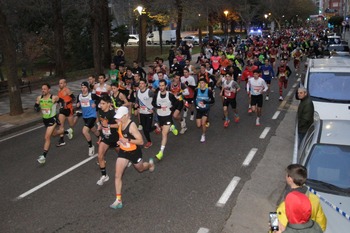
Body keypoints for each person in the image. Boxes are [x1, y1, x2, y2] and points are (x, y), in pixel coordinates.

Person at [109, 106, 155, 209]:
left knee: (141, 169)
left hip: (134, 152)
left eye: (120, 117)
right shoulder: (120, 123)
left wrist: (128, 140)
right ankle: (118, 200)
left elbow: (141, 141)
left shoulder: (132, 126)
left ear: (126, 116)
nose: (118, 119)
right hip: (123, 151)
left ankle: (150, 164)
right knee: (117, 175)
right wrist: (120, 140)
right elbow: (121, 134)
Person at [276, 164, 327, 232]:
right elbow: (322, 224)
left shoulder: (285, 206)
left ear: (290, 179)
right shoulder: (314, 199)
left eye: (286, 175)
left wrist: (274, 228)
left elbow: (277, 229)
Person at [34, 83, 72, 164]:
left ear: (48, 90)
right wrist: (36, 107)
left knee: (47, 137)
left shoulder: (53, 98)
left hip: (52, 119)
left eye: (44, 89)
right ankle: (67, 132)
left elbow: (62, 101)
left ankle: (43, 156)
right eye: (42, 89)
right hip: (45, 120)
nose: (43, 90)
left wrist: (62, 108)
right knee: (54, 134)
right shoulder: (39, 98)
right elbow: (36, 105)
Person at [152, 79, 179, 160]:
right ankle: (172, 127)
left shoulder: (170, 95)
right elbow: (153, 103)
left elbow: (176, 103)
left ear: (166, 86)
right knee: (164, 129)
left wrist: (171, 109)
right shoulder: (156, 94)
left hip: (167, 115)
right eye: (160, 86)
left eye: (162, 85)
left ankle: (161, 152)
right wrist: (159, 107)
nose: (161, 87)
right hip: (160, 116)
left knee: (164, 134)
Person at [96, 95, 119, 186]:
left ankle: (126, 159)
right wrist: (100, 134)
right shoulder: (100, 111)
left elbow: (118, 125)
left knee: (120, 153)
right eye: (100, 103)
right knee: (100, 156)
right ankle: (104, 175)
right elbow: (101, 121)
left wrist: (108, 125)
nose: (101, 105)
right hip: (105, 137)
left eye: (103, 103)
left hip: (114, 138)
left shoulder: (113, 114)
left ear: (109, 104)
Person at [76, 82, 100, 156]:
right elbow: (78, 103)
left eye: (85, 87)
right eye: (82, 87)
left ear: (87, 88)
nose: (83, 89)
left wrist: (95, 104)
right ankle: (101, 138)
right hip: (85, 117)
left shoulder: (91, 95)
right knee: (94, 130)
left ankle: (90, 146)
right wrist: (78, 104)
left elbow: (99, 99)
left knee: (84, 131)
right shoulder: (79, 96)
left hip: (92, 116)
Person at [135, 78, 157, 149]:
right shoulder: (138, 92)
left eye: (142, 83)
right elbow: (137, 100)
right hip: (142, 112)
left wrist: (153, 108)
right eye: (140, 83)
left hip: (149, 112)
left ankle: (156, 127)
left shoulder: (149, 92)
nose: (140, 85)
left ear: (145, 84)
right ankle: (149, 141)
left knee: (147, 128)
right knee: (145, 129)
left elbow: (156, 99)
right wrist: (136, 105)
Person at [56, 79, 76, 147]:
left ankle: (78, 115)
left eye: (61, 83)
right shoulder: (59, 91)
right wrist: (57, 103)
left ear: (65, 84)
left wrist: (68, 102)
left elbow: (73, 98)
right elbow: (58, 100)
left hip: (69, 110)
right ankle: (62, 140)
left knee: (72, 124)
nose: (60, 84)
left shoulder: (67, 90)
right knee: (60, 125)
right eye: (59, 83)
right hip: (62, 110)